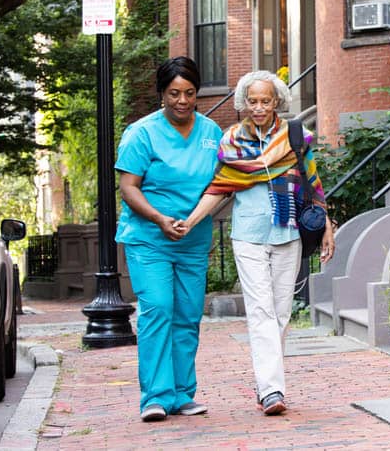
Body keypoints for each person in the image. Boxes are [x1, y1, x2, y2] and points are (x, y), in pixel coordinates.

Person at [178, 70, 334, 416]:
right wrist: (190, 222)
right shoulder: (231, 140)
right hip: (248, 235)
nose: (259, 107)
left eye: (266, 101)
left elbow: (314, 185)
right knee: (261, 311)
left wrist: (327, 225)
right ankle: (272, 390)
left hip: (289, 231)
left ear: (277, 101)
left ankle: (267, 381)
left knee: (280, 313)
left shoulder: (297, 137)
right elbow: (219, 188)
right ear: (243, 103)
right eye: (253, 101)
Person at [115, 57, 223, 422]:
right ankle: (156, 397)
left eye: (189, 93)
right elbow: (128, 188)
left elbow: (221, 185)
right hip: (149, 238)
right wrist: (160, 219)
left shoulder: (211, 133)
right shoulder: (141, 133)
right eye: (174, 93)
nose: (182, 100)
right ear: (161, 94)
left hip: (193, 238)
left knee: (188, 315)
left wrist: (193, 220)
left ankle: (182, 393)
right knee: (159, 308)